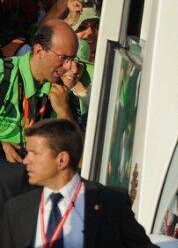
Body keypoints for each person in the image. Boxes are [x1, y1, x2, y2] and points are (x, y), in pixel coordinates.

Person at [0, 119, 154, 247]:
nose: (26, 160)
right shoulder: (16, 210)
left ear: (62, 159)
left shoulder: (111, 204)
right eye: (27, 153)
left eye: (35, 154)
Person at [0, 20, 78, 163]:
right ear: (39, 51)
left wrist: (64, 111)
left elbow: (78, 158)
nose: (70, 67)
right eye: (64, 58)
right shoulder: (3, 75)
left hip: (31, 175)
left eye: (72, 59)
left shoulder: (59, 93)